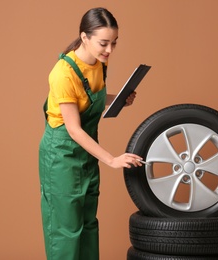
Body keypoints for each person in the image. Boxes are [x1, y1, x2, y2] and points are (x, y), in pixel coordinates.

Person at [39, 7, 143, 260]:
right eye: (103, 43)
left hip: (86, 152)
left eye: (114, 43)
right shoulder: (63, 73)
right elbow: (73, 129)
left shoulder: (98, 63)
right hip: (61, 155)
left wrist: (116, 99)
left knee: (87, 225)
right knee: (65, 231)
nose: (109, 50)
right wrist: (112, 160)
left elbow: (86, 99)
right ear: (84, 37)